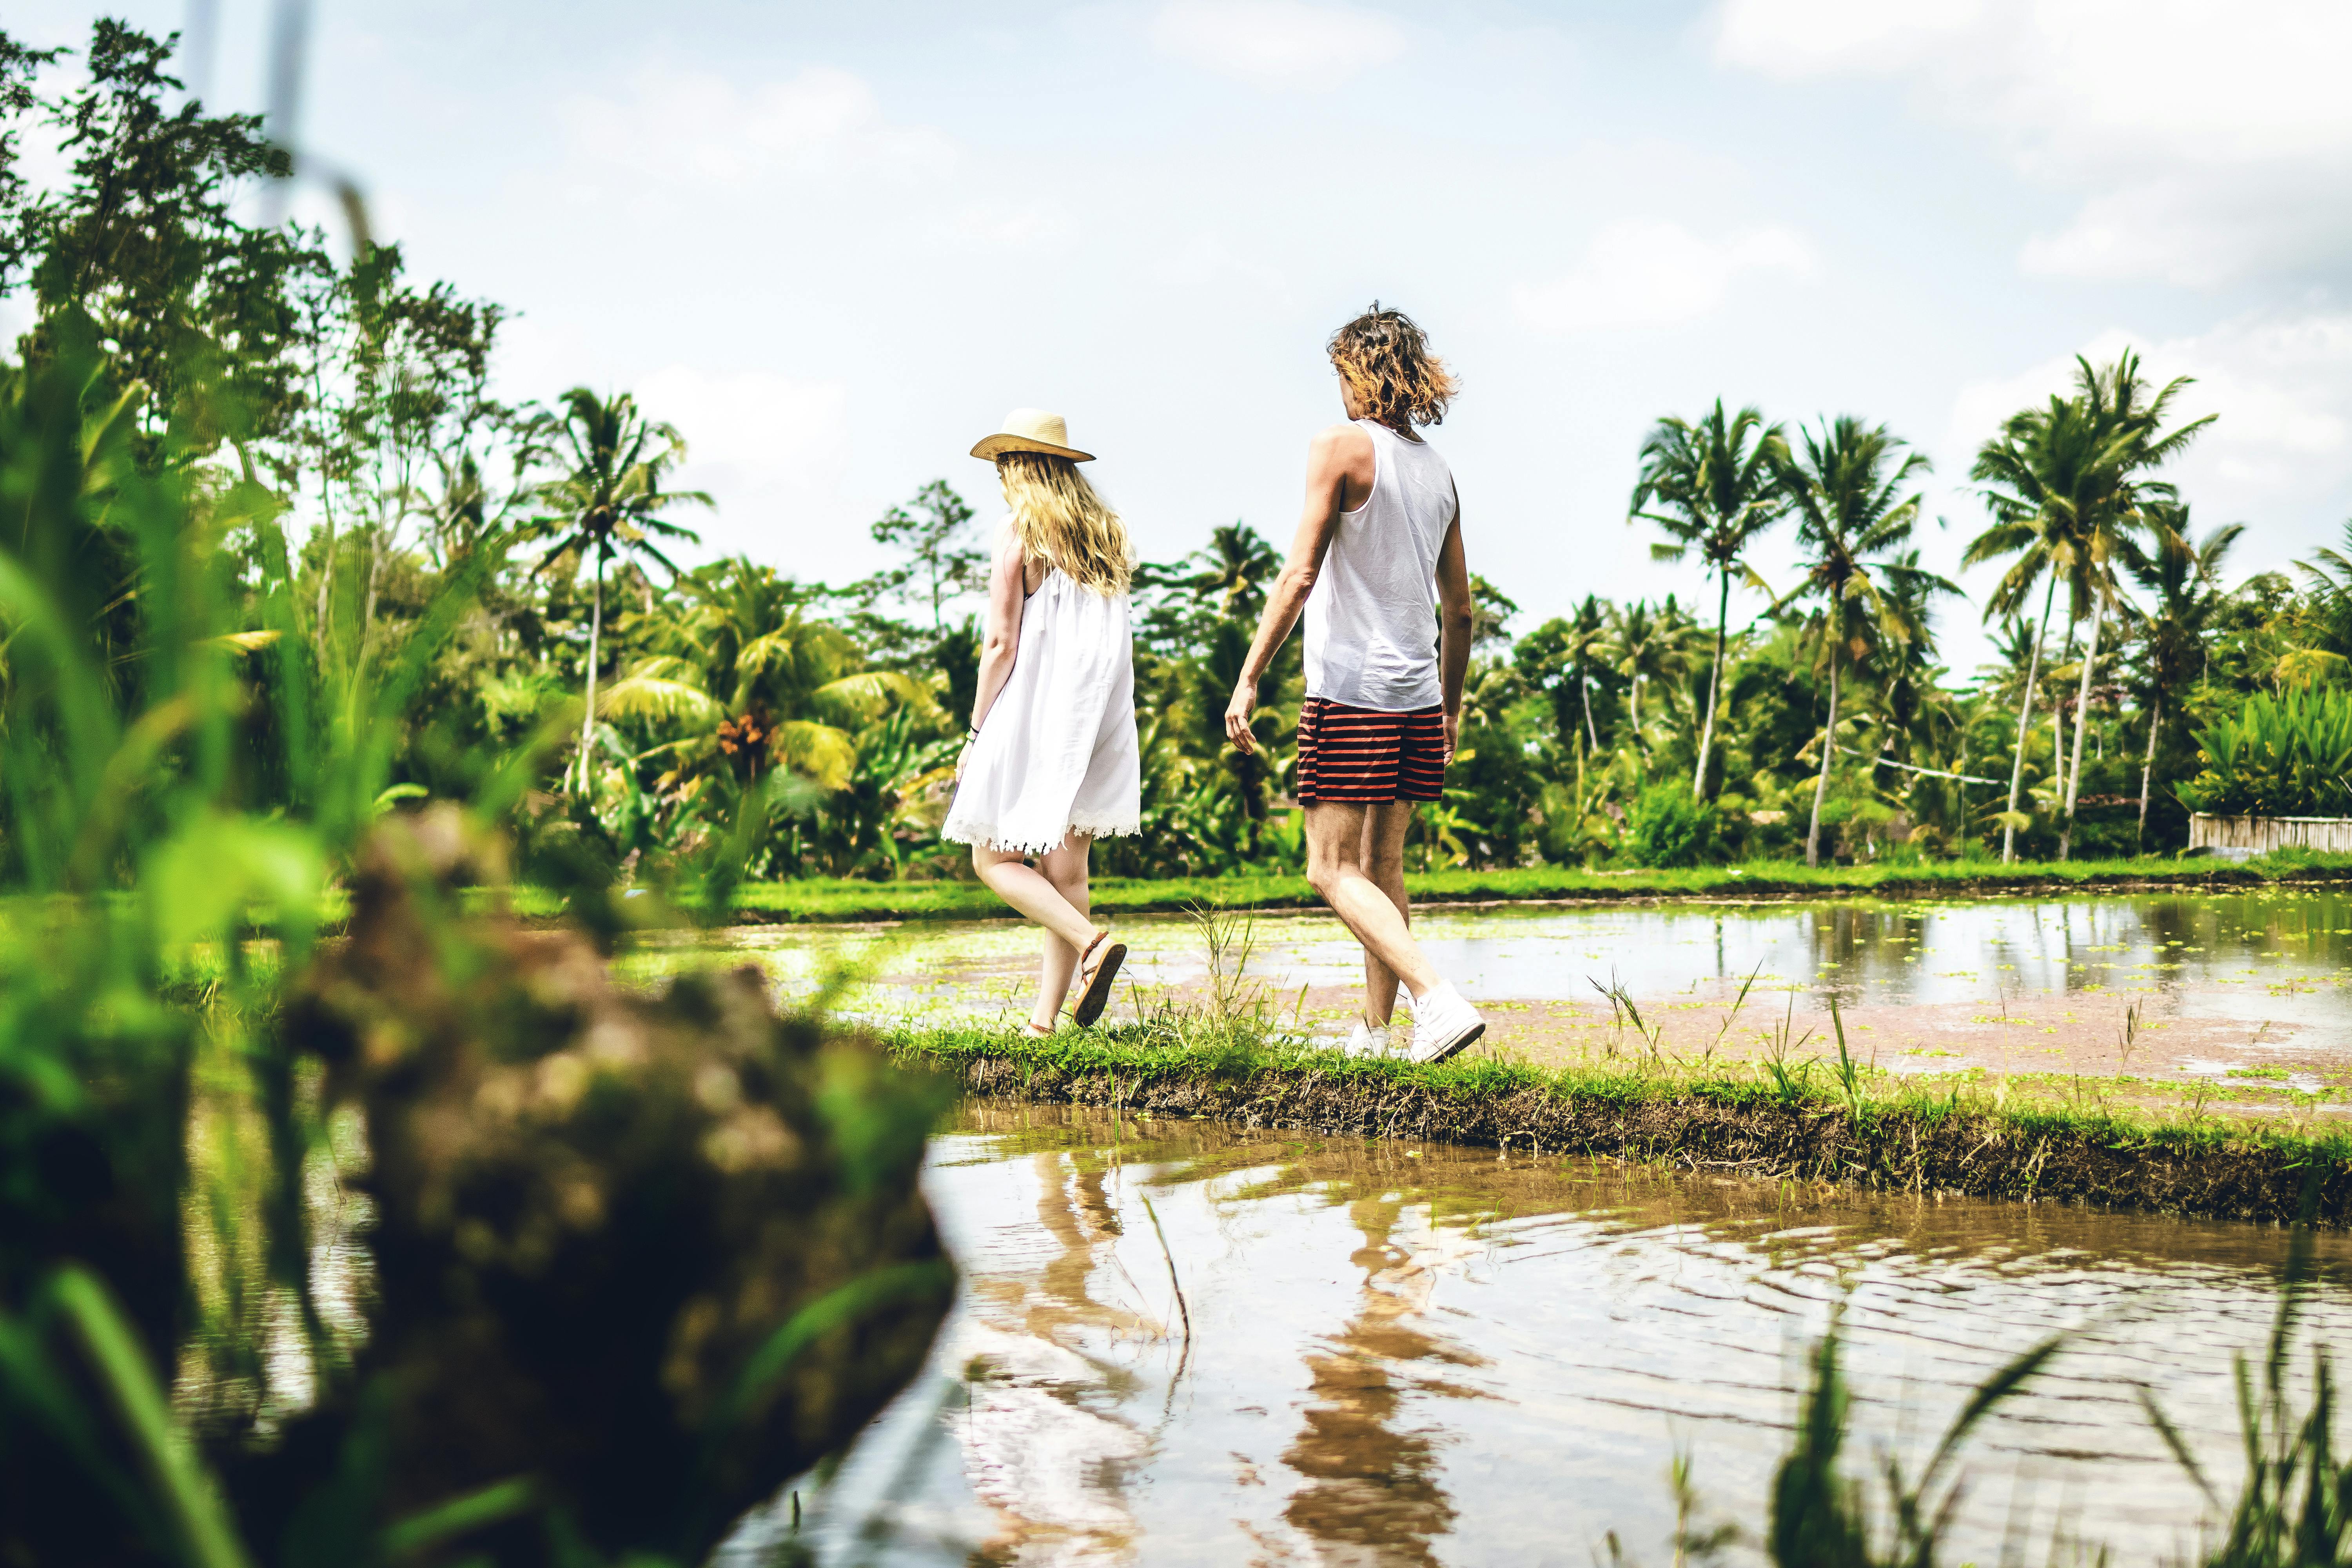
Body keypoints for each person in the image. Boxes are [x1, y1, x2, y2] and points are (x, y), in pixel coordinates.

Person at [1224, 306, 1485, 1063]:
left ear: (1360, 373)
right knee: (1384, 869)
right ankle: (1375, 1034)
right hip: (1417, 698)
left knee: (1329, 867)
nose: (1337, 389)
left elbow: (1301, 572)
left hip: (1350, 689)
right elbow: (1461, 610)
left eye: (1341, 373)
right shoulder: (1439, 471)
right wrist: (1453, 710)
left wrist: (1249, 679)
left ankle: (1435, 999)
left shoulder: (1341, 445)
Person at [943, 408, 1140, 1034]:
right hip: (1100, 714)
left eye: (1003, 465)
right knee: (1066, 872)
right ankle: (1043, 1022)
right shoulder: (1108, 532)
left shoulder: (1019, 533)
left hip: (1039, 715)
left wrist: (976, 734)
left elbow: (1001, 643)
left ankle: (1091, 942)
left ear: (1019, 468)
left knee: (992, 861)